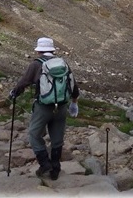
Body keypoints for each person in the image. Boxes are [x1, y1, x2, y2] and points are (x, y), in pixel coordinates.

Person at [9, 37, 80, 180]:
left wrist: (14, 93)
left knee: (34, 135)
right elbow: (73, 84)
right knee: (57, 138)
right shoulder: (62, 63)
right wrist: (74, 102)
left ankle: (44, 163)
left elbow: (24, 82)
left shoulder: (36, 64)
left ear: (39, 50)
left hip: (43, 107)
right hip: (61, 107)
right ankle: (55, 168)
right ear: (52, 50)